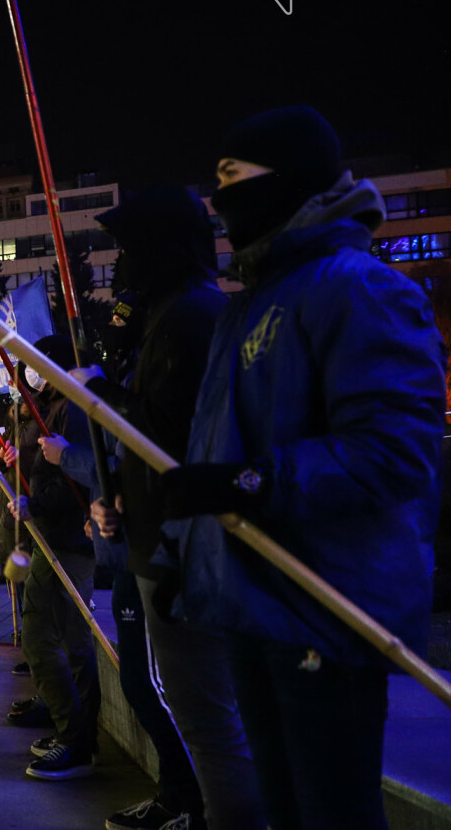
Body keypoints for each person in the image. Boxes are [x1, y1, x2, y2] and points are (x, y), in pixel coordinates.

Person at [157, 106, 444, 830]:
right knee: (284, 808)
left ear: (290, 182)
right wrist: (181, 555)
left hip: (327, 605)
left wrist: (252, 481)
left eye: (233, 180)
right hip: (257, 604)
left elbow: (396, 448)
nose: (219, 203)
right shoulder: (247, 307)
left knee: (331, 812)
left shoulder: (356, 288)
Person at [71, 186, 231, 830]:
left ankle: (200, 808)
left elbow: (173, 432)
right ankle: (181, 801)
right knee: (169, 696)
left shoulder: (191, 318)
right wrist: (117, 503)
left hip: (184, 553)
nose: (120, 263)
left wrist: (102, 395)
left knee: (208, 720)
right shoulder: (167, 318)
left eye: (129, 248)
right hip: (153, 542)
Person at [7, 334, 99, 781]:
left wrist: (37, 504)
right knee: (52, 638)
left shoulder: (72, 408)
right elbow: (41, 469)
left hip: (69, 543)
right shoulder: (49, 406)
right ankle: (73, 732)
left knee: (59, 640)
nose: (30, 371)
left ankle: (77, 739)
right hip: (52, 539)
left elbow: (78, 479)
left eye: (36, 362)